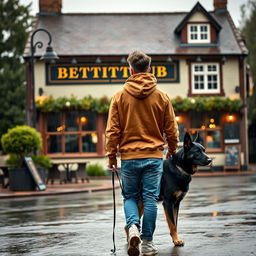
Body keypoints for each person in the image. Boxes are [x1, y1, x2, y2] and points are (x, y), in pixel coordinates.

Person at [105, 50, 179, 256]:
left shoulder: (119, 96)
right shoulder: (161, 96)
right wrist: (172, 150)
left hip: (129, 157)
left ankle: (133, 227)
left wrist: (112, 157)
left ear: (131, 70)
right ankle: (147, 243)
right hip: (154, 157)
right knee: (150, 198)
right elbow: (171, 128)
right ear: (149, 69)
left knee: (130, 196)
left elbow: (112, 130)